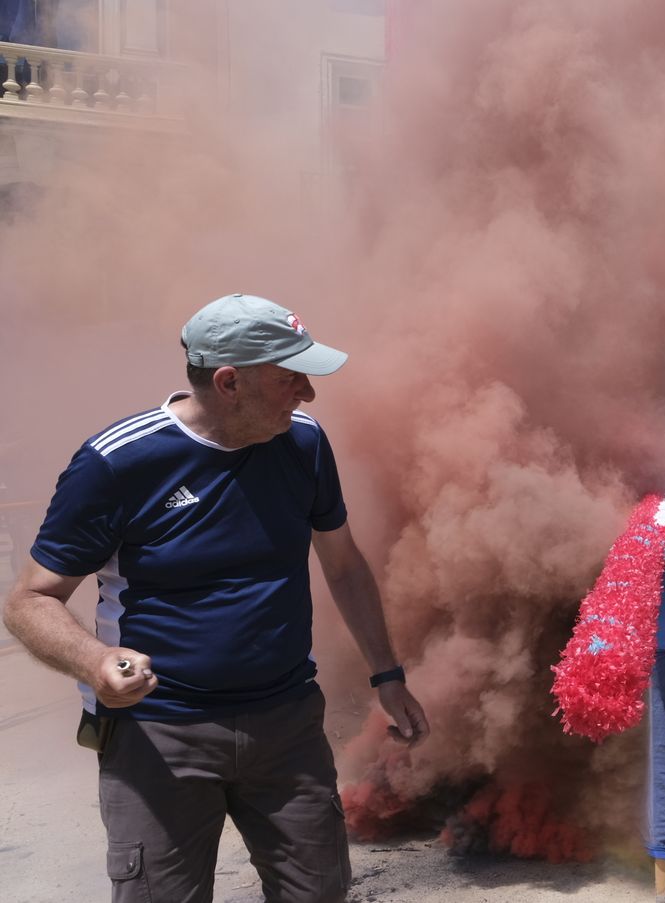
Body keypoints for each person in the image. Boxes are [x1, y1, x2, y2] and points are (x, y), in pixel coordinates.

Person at [2, 293, 430, 903]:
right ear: (229, 382)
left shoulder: (304, 445)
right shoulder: (118, 463)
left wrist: (387, 675)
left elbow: (345, 566)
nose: (307, 394)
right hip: (159, 733)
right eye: (290, 378)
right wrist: (95, 663)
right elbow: (30, 599)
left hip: (287, 726)